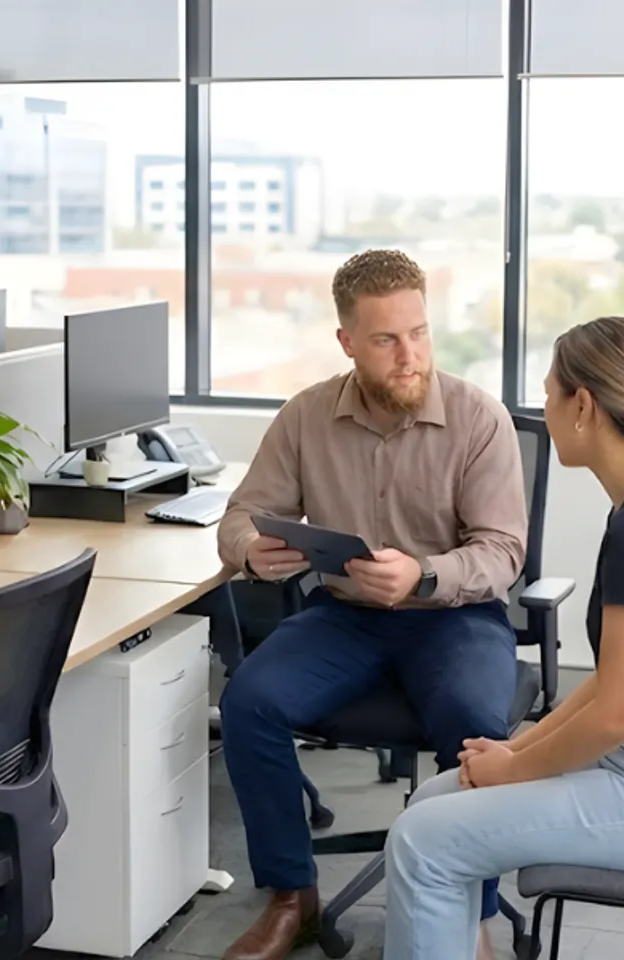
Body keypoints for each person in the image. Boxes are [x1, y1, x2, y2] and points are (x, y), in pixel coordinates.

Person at [381, 316, 624, 960]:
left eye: (550, 393)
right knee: (438, 797)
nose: (545, 409)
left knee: (425, 841)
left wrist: (517, 768)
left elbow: (619, 712)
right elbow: (611, 686)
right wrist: (514, 750)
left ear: (583, 405)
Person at [215, 249, 528, 960]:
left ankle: (469, 913)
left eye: (418, 332)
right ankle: (294, 898)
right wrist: (248, 550)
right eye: (386, 340)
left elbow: (502, 552)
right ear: (348, 342)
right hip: (346, 618)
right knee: (248, 703)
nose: (409, 354)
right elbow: (242, 512)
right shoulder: (306, 417)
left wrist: (422, 574)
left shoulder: (479, 419)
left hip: (454, 616)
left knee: (474, 721)